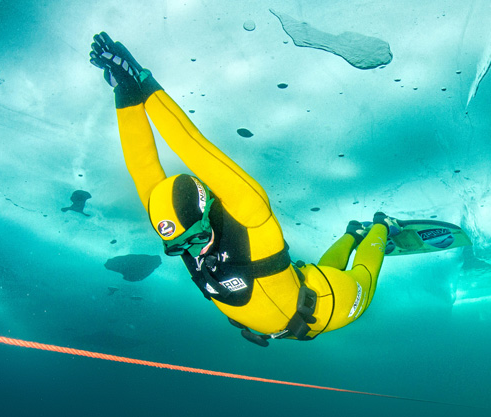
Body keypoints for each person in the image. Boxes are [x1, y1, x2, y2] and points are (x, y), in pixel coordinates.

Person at [89, 32, 398, 346]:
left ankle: (378, 228)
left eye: (192, 238)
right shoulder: (181, 224)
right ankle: (368, 229)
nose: (191, 248)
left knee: (360, 274)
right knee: (347, 275)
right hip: (318, 303)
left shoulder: (234, 216)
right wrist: (133, 85)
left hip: (320, 306)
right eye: (181, 243)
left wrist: (132, 88)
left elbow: (173, 154)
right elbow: (172, 155)